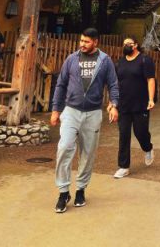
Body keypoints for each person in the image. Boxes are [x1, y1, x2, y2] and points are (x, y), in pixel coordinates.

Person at [51, 28, 119, 213]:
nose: (82, 44)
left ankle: (81, 189)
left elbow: (113, 84)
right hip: (71, 110)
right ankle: (63, 192)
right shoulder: (71, 59)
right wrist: (56, 110)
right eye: (81, 40)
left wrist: (114, 104)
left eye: (86, 41)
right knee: (64, 147)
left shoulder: (105, 61)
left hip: (93, 113)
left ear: (95, 42)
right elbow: (61, 84)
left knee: (88, 153)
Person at [113, 36, 156, 179]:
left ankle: (148, 147)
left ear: (136, 45)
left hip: (140, 104)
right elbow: (115, 84)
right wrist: (112, 103)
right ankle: (124, 166)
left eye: (129, 44)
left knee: (140, 132)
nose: (126, 46)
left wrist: (151, 99)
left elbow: (150, 79)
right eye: (124, 44)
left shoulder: (144, 60)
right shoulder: (119, 63)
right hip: (123, 105)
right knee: (123, 135)